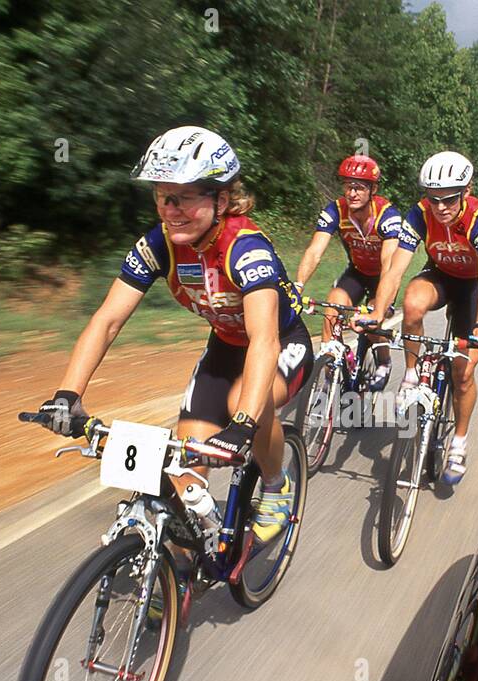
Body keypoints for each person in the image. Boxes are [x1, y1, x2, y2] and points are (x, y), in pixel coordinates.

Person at [34, 126, 311, 556]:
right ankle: (171, 582)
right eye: (163, 196)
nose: (172, 210)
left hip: (280, 341)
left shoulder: (245, 249)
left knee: (247, 402)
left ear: (221, 200)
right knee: (184, 475)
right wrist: (68, 394)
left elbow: (263, 340)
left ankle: (276, 484)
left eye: (184, 197)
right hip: (224, 345)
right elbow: (107, 319)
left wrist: (242, 425)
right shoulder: (158, 244)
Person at [363, 151, 478, 485]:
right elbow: (396, 268)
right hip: (440, 276)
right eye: (433, 198)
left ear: (466, 191)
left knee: (463, 373)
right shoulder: (421, 214)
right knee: (411, 304)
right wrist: (377, 313)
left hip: (470, 288)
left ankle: (459, 442)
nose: (440, 207)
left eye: (449, 199)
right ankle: (411, 376)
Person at [295, 154, 403, 389]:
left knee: (373, 322)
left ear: (373, 189)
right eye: (347, 186)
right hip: (356, 272)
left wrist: (380, 308)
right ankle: (329, 374)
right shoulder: (335, 210)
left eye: (359, 187)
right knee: (332, 307)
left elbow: (389, 264)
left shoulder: (387, 215)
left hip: (382, 277)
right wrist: (298, 286)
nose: (352, 193)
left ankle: (384, 361)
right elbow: (315, 251)